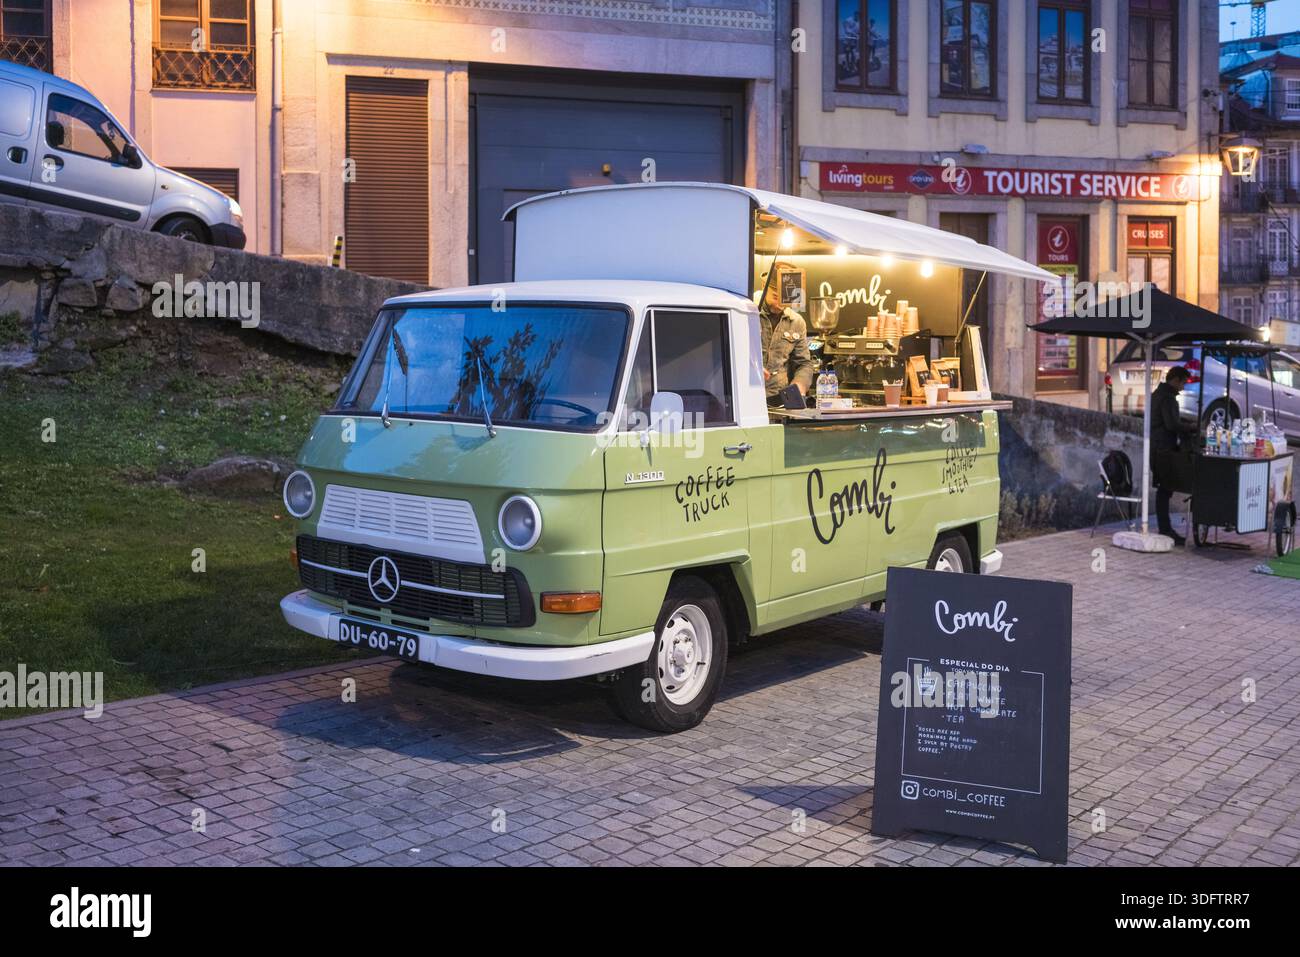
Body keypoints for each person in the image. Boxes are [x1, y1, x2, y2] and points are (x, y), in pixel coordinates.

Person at [759, 264, 817, 406]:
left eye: (785, 297)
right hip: (746, 394)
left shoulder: (796, 322)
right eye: (775, 295)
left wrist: (800, 384)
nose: (780, 302)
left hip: (778, 400)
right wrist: (751, 367)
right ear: (764, 288)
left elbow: (804, 363)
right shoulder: (748, 313)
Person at [1150, 365, 1195, 545]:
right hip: (1163, 449)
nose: (1183, 388)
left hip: (1157, 447)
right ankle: (1165, 529)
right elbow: (1171, 425)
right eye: (1183, 383)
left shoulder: (1157, 395)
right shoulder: (1167, 398)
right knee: (1165, 489)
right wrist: (1190, 427)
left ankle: (1165, 528)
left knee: (1164, 490)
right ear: (1175, 380)